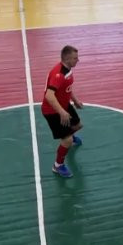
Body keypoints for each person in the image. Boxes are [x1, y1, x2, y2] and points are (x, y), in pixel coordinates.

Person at [42, 45, 84, 178]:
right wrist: (61, 112)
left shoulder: (68, 70)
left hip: (64, 105)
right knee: (67, 140)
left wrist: (75, 100)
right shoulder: (58, 74)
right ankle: (57, 165)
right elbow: (49, 96)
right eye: (75, 58)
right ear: (67, 59)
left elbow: (67, 88)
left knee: (78, 125)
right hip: (52, 111)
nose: (78, 60)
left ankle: (69, 138)